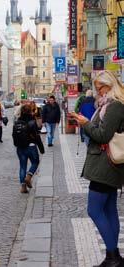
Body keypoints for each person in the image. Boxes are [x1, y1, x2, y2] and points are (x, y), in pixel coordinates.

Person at [72, 70, 124, 267]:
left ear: (109, 86)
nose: (97, 92)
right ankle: (114, 257)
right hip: (108, 165)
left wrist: (85, 124)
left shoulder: (115, 106)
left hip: (106, 166)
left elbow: (102, 135)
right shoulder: (107, 106)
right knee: (109, 209)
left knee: (94, 210)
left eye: (99, 88)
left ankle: (113, 257)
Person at [13, 104, 45, 193]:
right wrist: (41, 148)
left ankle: (23, 187)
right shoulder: (32, 121)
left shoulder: (17, 122)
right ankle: (29, 176)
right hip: (31, 146)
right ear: (30, 111)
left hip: (20, 147)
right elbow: (37, 136)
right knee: (35, 162)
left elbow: (14, 135)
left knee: (22, 166)